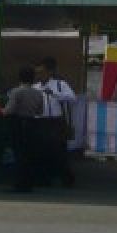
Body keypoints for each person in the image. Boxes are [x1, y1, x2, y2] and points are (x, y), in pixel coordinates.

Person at [34, 57, 77, 187]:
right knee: (41, 151)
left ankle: (66, 179)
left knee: (59, 151)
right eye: (38, 72)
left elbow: (72, 98)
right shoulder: (35, 87)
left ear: (50, 72)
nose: (39, 75)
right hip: (40, 121)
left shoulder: (60, 84)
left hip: (56, 122)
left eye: (42, 72)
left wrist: (54, 94)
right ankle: (44, 179)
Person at [3, 66, 44, 192]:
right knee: (29, 154)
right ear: (33, 79)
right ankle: (28, 183)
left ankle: (19, 184)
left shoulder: (16, 92)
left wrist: (1, 110)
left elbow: (9, 110)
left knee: (19, 154)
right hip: (32, 124)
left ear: (19, 78)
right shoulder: (38, 93)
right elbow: (40, 111)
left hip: (19, 123)